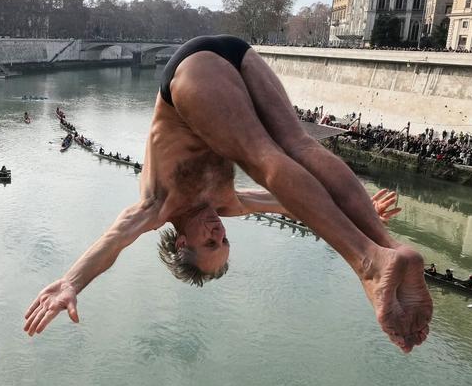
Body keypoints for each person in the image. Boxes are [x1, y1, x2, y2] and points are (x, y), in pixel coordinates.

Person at [24, 35, 431, 353]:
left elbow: (113, 242)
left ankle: (369, 263)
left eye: (210, 241)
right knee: (300, 146)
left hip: (190, 73)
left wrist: (72, 282)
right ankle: (387, 247)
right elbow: (295, 205)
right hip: (238, 54)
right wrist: (365, 213)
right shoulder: (228, 204)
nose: (219, 232)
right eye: (224, 240)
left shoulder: (157, 206)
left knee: (264, 157)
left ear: (182, 241)